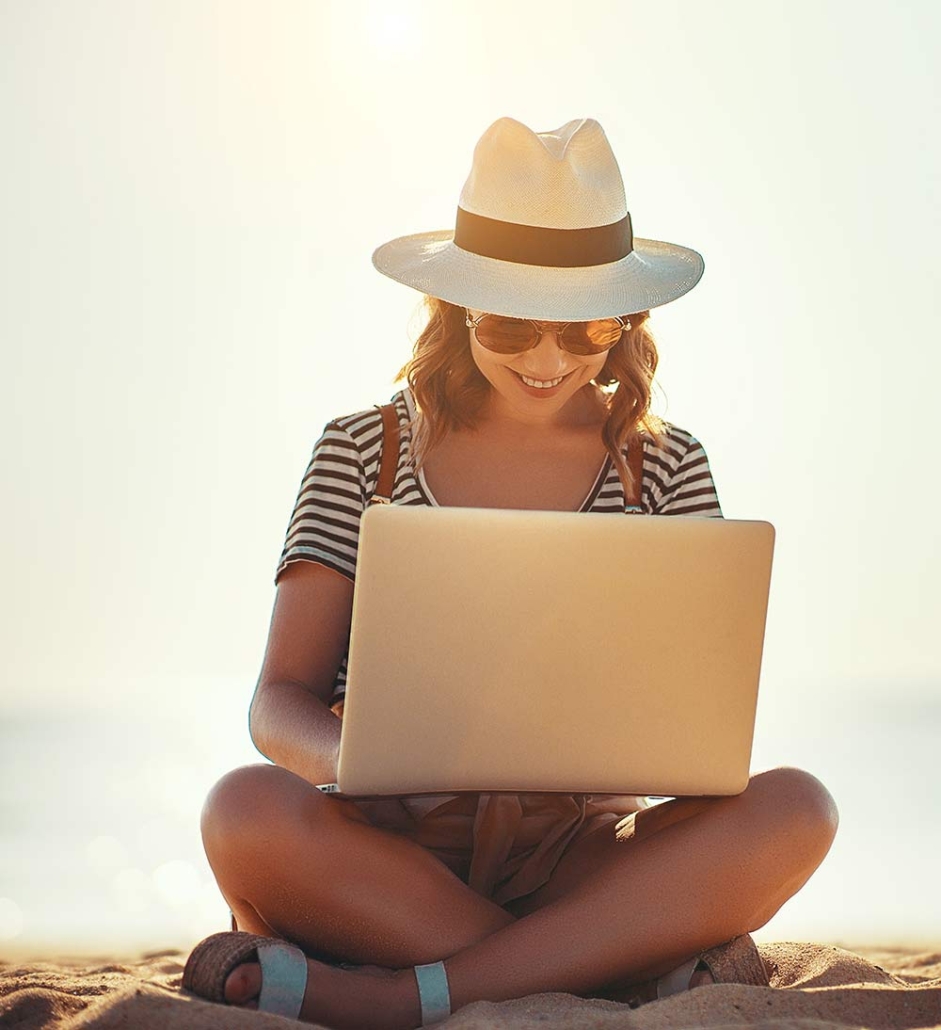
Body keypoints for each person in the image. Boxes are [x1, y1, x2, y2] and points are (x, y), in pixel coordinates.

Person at [182, 117, 839, 1029]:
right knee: (242, 811)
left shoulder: (666, 465)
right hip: (390, 849)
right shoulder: (360, 449)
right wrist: (357, 762)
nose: (545, 361)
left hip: (579, 852)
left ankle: (405, 992)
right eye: (510, 326)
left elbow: (697, 720)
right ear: (455, 309)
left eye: (587, 332)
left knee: (797, 809)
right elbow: (277, 701)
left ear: (627, 324)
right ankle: (606, 962)